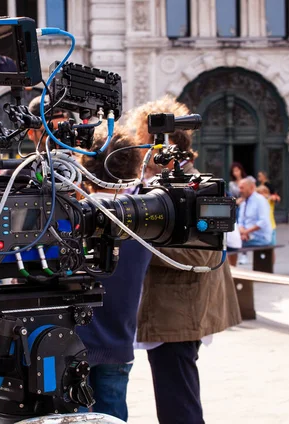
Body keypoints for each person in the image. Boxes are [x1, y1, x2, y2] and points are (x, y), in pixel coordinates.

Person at [128, 96, 241, 424]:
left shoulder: (197, 188)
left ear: (168, 145)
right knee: (175, 397)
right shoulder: (157, 186)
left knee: (178, 403)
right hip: (170, 309)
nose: (142, 151)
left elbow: (205, 251)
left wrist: (135, 241)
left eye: (147, 143)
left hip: (179, 309)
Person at [75, 125, 153, 421]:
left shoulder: (76, 215)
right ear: (133, 166)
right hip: (120, 340)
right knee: (114, 413)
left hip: (74, 343)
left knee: (76, 416)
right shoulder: (145, 219)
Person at [237, 177, 272, 247]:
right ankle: (243, 257)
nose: (240, 190)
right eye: (239, 188)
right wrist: (242, 232)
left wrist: (246, 232)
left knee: (231, 243)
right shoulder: (243, 203)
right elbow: (240, 221)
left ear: (251, 187)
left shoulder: (260, 200)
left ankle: (243, 257)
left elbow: (263, 221)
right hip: (247, 236)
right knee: (228, 241)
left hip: (261, 238)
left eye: (242, 188)